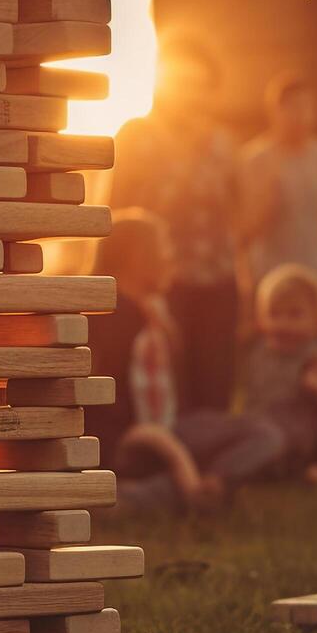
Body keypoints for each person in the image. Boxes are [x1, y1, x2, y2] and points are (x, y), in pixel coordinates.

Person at [88, 209, 282, 514]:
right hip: (130, 443)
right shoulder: (106, 318)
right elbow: (112, 417)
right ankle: (169, 492)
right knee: (260, 438)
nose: (170, 257)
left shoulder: (156, 312)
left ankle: (207, 486)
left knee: (265, 434)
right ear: (138, 255)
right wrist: (178, 461)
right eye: (163, 247)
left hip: (172, 429)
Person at [111, 36, 242, 412]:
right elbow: (116, 214)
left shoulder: (224, 142)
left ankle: (213, 464)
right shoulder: (136, 135)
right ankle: (172, 462)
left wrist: (245, 285)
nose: (191, 95)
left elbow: (239, 218)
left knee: (216, 383)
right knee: (169, 387)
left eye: (200, 86)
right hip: (158, 284)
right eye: (182, 83)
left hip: (218, 282)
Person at [242, 264, 317, 487]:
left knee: (308, 444)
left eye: (295, 315)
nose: (283, 323)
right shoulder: (261, 354)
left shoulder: (314, 357)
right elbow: (252, 395)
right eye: (274, 314)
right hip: (262, 428)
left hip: (300, 436)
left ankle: (311, 469)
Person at [239, 74, 317, 293]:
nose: (301, 115)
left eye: (307, 107)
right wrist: (270, 198)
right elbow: (248, 227)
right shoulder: (256, 158)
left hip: (316, 269)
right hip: (271, 272)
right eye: (293, 107)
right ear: (275, 111)